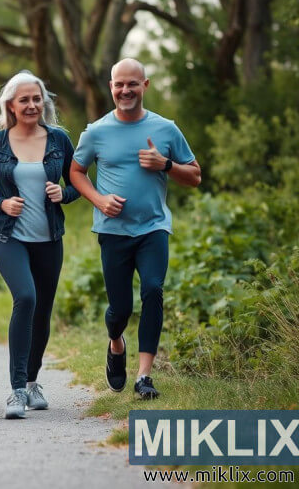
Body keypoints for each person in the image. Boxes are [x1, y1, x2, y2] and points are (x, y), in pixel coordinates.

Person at [69, 58, 201, 400]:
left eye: (132, 83)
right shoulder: (95, 131)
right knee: (120, 308)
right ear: (111, 88)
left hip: (153, 228)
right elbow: (76, 172)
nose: (125, 90)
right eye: (119, 84)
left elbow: (196, 176)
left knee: (154, 290)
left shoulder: (166, 129)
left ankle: (144, 376)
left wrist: (166, 164)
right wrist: (98, 200)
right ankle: (116, 343)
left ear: (145, 85)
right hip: (113, 231)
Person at [0, 71, 80, 419]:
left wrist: (63, 194)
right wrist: (0, 204)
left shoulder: (60, 140)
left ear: (43, 103)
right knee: (27, 298)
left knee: (43, 309)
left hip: (49, 238)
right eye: (24, 100)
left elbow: (79, 182)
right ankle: (17, 391)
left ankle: (33, 383)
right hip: (8, 235)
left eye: (37, 99)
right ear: (11, 106)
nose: (32, 105)